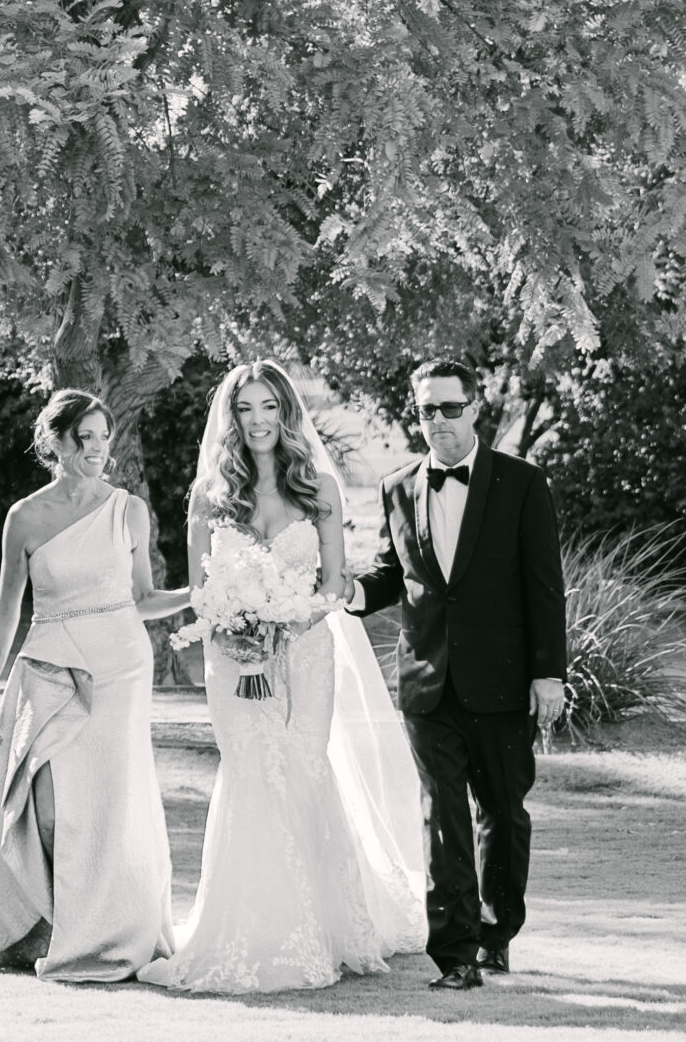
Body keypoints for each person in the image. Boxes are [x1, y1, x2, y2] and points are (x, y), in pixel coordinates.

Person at [138, 360, 428, 995]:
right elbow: (202, 589)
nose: (259, 420)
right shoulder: (208, 493)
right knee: (252, 774)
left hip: (305, 653)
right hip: (233, 659)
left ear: (286, 411)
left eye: (269, 406)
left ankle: (318, 927)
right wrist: (241, 634)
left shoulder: (317, 485)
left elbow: (333, 586)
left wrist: (282, 626)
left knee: (300, 769)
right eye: (246, 409)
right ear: (232, 417)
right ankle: (247, 929)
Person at [353, 356, 568, 990]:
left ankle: (497, 936)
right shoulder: (397, 486)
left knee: (502, 813)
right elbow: (392, 575)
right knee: (440, 815)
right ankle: (457, 953)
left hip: (503, 682)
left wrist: (547, 674)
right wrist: (349, 593)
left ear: (475, 409)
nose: (438, 421)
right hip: (426, 680)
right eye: (427, 410)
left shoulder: (522, 484)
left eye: (450, 407)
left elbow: (543, 588)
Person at [0, 388, 190, 982]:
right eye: (82, 438)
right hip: (46, 663)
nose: (95, 449)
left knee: (110, 805)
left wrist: (205, 593)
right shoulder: (26, 516)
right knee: (44, 804)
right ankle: (47, 925)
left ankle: (110, 935)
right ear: (54, 442)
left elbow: (143, 599)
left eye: (102, 437)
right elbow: (6, 608)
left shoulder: (129, 509)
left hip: (120, 668)